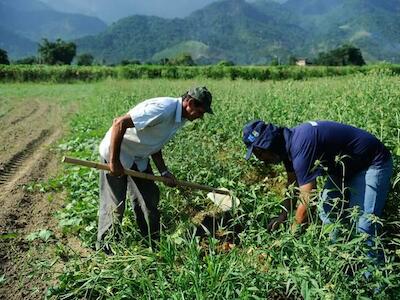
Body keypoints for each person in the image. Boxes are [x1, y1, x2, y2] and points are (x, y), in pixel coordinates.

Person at [242, 120, 393, 244]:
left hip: (371, 163)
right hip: (343, 168)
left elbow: (308, 199)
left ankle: (372, 277)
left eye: (258, 153)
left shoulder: (301, 145)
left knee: (363, 228)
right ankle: (340, 260)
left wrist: (289, 237)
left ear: (268, 144)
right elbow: (292, 185)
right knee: (327, 211)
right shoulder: (286, 147)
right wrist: (283, 215)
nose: (260, 159)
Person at [97, 86, 213, 248]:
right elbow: (119, 123)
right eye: (200, 112)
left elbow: (155, 143)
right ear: (191, 103)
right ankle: (105, 248)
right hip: (117, 153)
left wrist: (164, 171)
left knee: (148, 199)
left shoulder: (180, 118)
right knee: (114, 205)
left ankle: (152, 242)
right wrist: (113, 162)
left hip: (139, 157)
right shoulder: (163, 109)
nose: (200, 117)